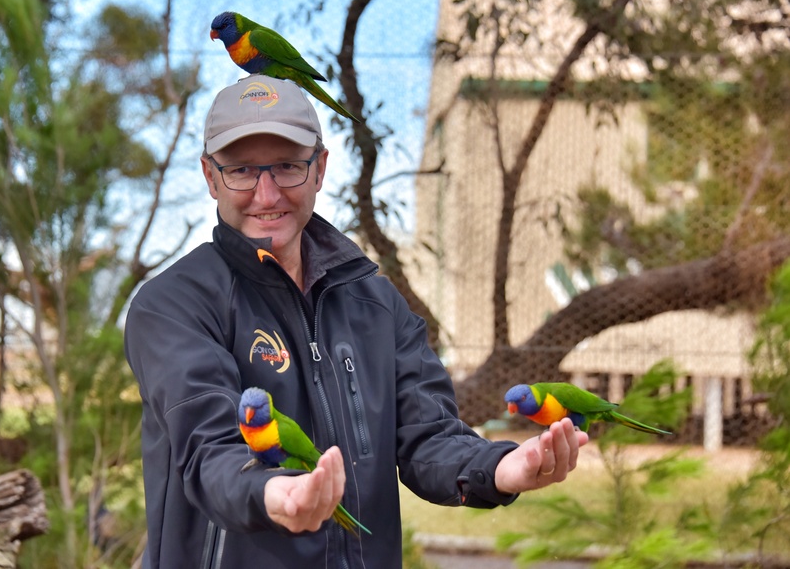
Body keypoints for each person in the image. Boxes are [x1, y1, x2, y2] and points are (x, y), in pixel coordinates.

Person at [124, 75, 588, 568]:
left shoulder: (377, 305)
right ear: (210, 176)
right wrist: (274, 493)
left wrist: (499, 467)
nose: (266, 195)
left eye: (286, 167)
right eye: (241, 170)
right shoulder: (172, 304)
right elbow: (209, 451)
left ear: (320, 168)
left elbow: (427, 436)